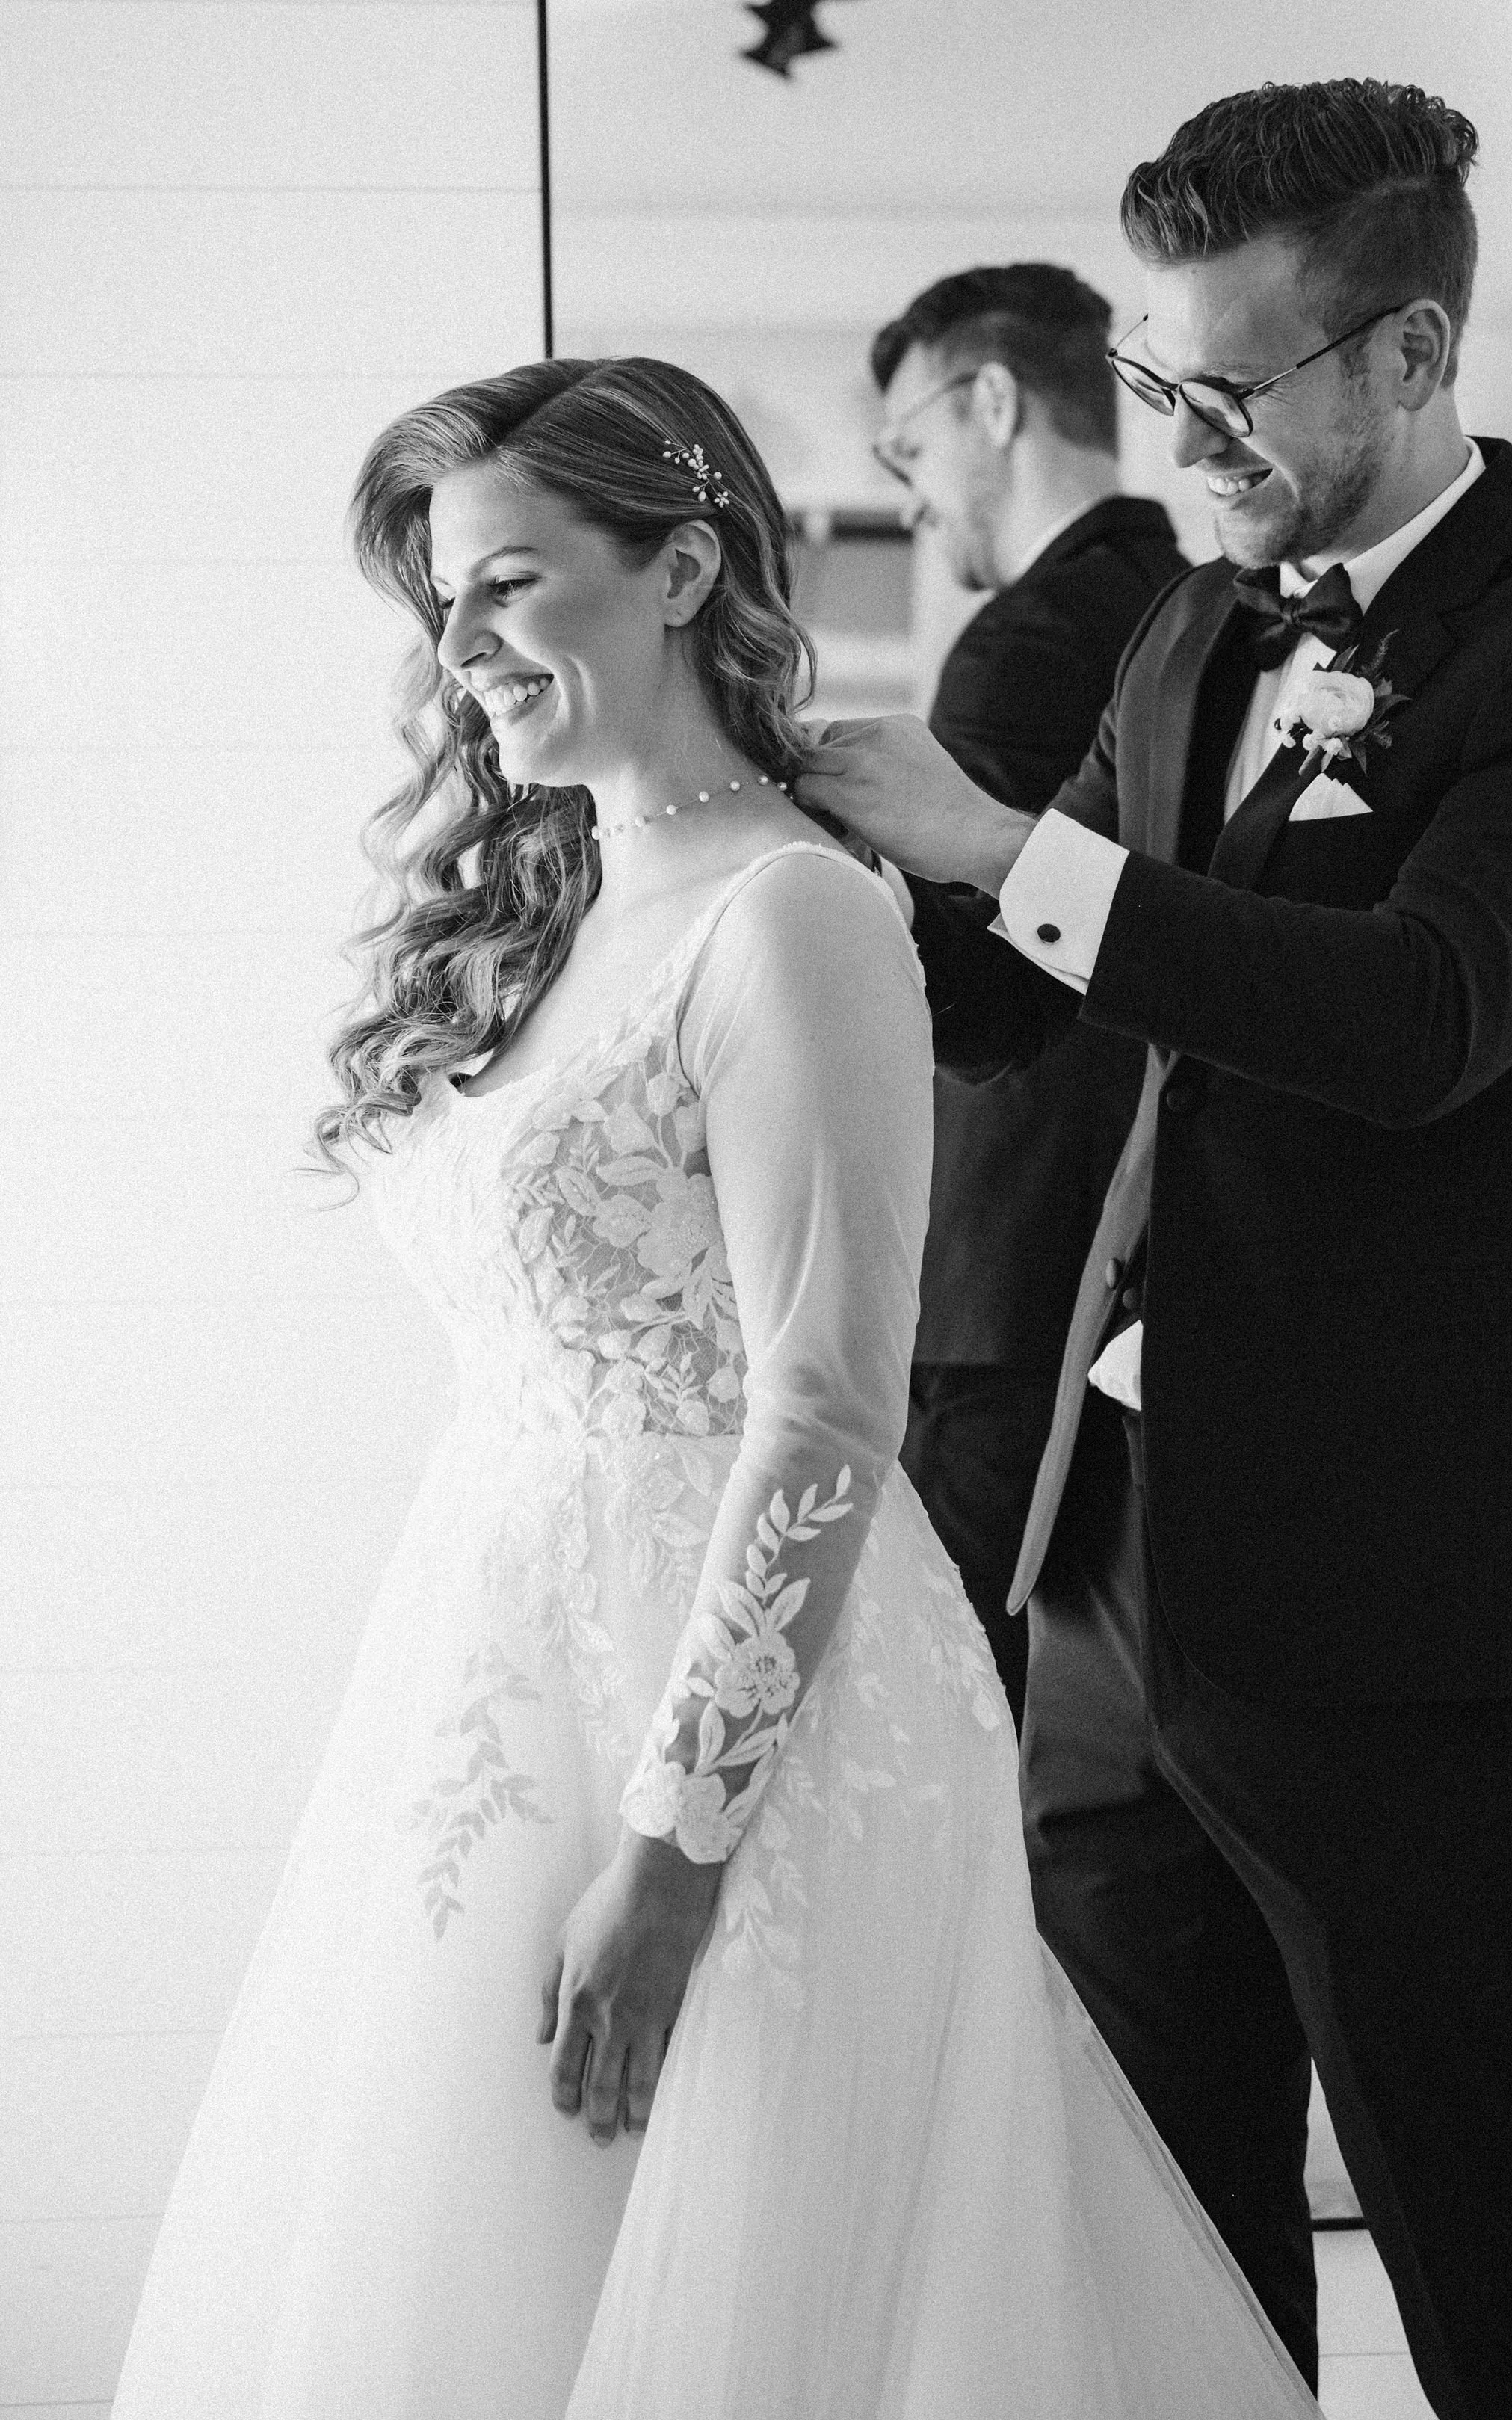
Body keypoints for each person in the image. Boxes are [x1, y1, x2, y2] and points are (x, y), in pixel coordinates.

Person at [108, 355, 1316, 2420]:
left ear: (681, 567)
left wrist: (676, 1847)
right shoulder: (551, 902)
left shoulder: (797, 913)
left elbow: (827, 1408)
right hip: (496, 1674)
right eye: (441, 603)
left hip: (745, 1719)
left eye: (505, 584)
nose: (462, 645)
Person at [801, 79, 1512, 2419]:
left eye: (1229, 381)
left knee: (1478, 2245)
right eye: (1153, 370)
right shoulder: (1194, 626)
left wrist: (1008, 837)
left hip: (1396, 1593)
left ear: (1412, 357)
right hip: (1109, 1572)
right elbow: (1009, 998)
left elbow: (1419, 1020)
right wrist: (784, 852)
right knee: (1171, 2261)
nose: (1176, 427)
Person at [871, 262, 1184, 1719]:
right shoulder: (1178, 612)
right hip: (1120, 1276)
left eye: (911, 450)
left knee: (959, 1722)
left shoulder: (1033, 638)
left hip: (1004, 1290)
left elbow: (973, 1000)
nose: (918, 498)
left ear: (991, 401)